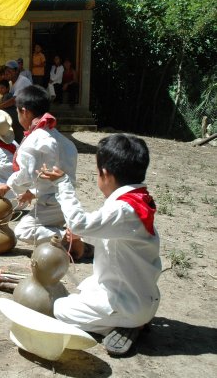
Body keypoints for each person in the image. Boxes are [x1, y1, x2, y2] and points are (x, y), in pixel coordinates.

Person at [39, 134, 161, 357]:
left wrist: (63, 184)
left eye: (97, 172)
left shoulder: (123, 210)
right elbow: (109, 237)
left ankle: (122, 325)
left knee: (60, 310)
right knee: (86, 286)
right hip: (141, 296)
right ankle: (126, 321)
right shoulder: (135, 201)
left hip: (130, 305)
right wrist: (78, 235)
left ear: (105, 174)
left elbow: (79, 222)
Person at [0, 85, 77, 246]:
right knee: (40, 224)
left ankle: (71, 238)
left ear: (25, 112)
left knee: (23, 230)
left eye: (17, 112)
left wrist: (8, 185)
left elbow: (27, 174)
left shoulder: (34, 141)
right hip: (67, 198)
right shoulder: (60, 138)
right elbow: (48, 173)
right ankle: (67, 233)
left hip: (53, 201)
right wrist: (31, 192)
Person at [0, 60, 32, 142]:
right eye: (6, 71)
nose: (7, 73)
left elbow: (14, 100)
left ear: (16, 71)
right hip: (19, 112)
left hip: (27, 112)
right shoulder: (11, 83)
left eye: (9, 71)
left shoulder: (22, 80)